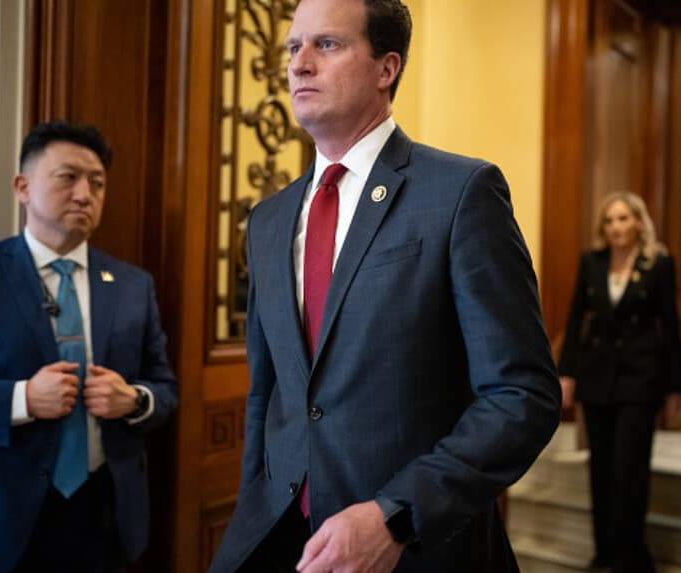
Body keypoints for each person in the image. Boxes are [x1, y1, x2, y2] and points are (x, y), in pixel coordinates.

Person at [208, 0, 561, 571]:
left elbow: (522, 397)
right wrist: (254, 504)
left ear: (386, 68)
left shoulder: (460, 192)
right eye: (293, 47)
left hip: (419, 547)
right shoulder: (268, 220)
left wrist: (397, 514)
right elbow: (267, 394)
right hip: (282, 539)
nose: (299, 64)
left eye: (326, 45)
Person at [0, 121, 179, 572]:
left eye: (97, 182)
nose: (84, 194)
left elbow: (165, 388)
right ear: (23, 187)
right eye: (67, 177)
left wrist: (134, 400)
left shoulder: (132, 284)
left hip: (104, 511)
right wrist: (21, 399)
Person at [557, 192, 681, 573]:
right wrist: (567, 374)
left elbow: (671, 327)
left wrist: (675, 387)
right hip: (597, 378)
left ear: (638, 223)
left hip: (640, 377)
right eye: (610, 220)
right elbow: (576, 318)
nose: (616, 227)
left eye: (624, 218)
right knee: (601, 469)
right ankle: (604, 553)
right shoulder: (591, 262)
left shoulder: (658, 264)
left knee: (629, 469)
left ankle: (631, 554)